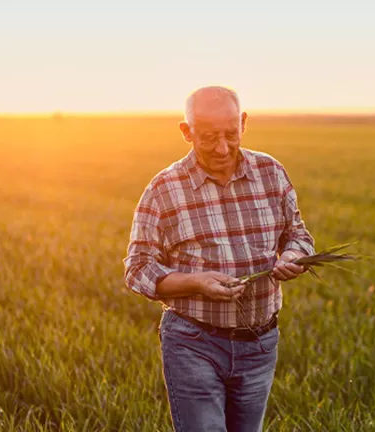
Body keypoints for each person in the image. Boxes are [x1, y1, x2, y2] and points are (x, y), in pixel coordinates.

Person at [123, 85, 315, 432]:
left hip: (260, 343)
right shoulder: (164, 189)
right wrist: (197, 282)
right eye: (209, 137)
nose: (222, 148)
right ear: (187, 131)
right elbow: (138, 269)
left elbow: (299, 237)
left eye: (231, 134)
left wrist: (292, 257)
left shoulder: (271, 173)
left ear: (243, 123)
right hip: (194, 343)